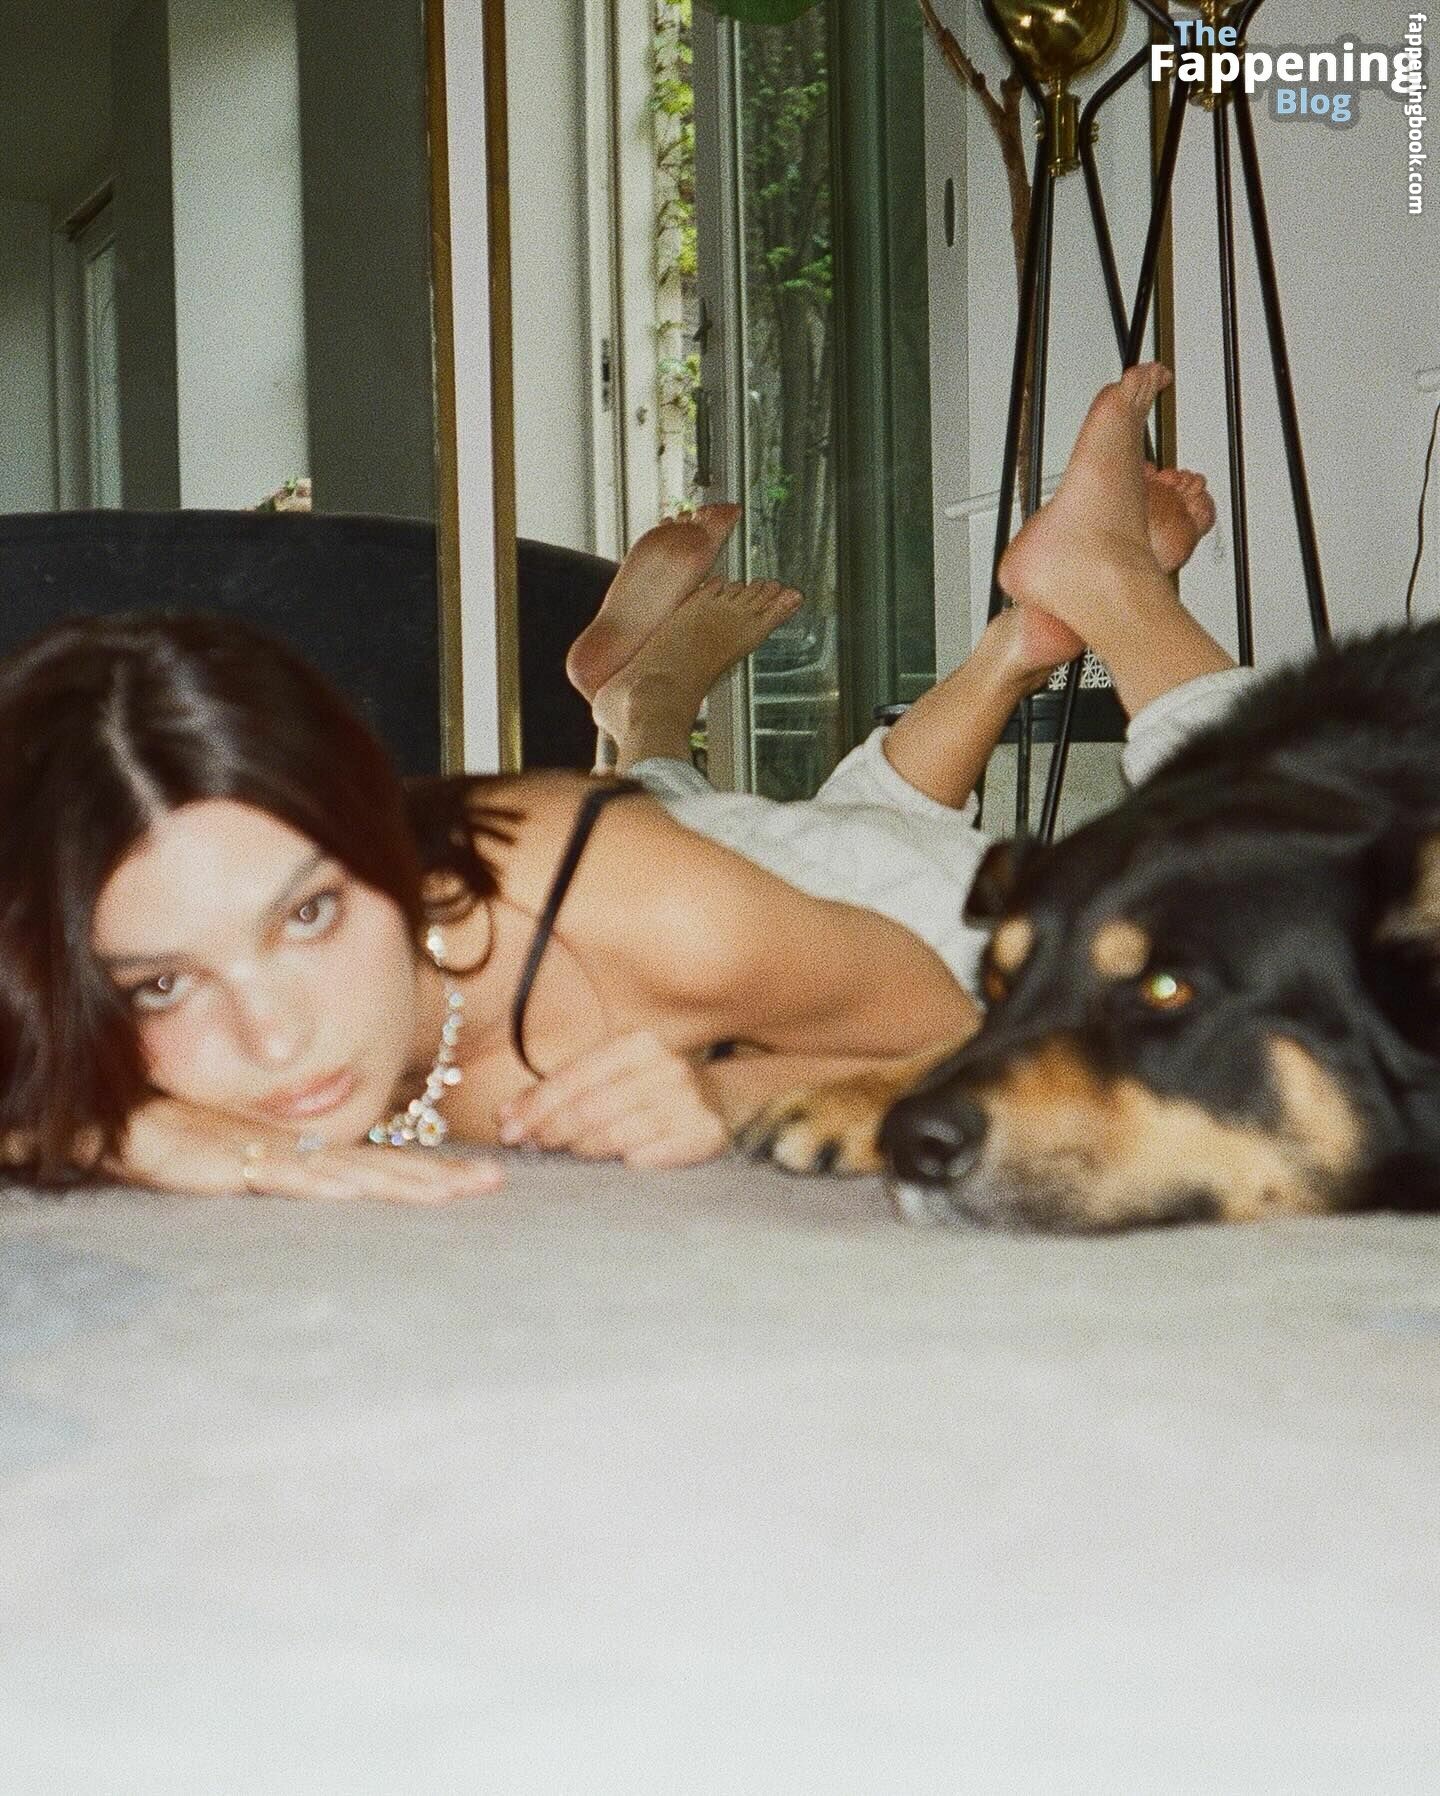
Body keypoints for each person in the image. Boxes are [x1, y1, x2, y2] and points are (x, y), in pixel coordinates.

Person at [0, 365, 1248, 1200]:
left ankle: (1109, 590)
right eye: (162, 982)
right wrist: (123, 1126)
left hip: (918, 937)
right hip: (728, 863)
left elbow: (964, 1037)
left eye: (311, 914)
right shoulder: (125, 920)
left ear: (380, 833)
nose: (274, 1037)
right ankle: (725, 694)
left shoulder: (646, 915)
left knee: (1257, 887)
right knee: (788, 830)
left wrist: (723, 1090)